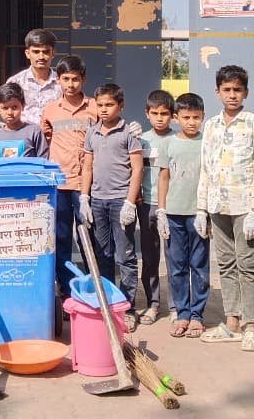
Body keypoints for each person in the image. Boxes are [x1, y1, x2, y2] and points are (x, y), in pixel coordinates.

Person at [197, 66, 254, 351]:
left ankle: (253, 326)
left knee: (247, 264)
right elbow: (206, 167)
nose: (232, 95)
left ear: (246, 93)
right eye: (226, 90)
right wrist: (201, 208)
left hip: (243, 206)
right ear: (217, 92)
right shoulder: (211, 125)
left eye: (237, 90)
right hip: (217, 204)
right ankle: (232, 322)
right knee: (226, 264)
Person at [80, 83, 144, 332]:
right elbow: (87, 167)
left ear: (121, 106)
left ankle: (127, 307)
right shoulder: (92, 133)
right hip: (97, 201)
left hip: (120, 201)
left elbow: (137, 169)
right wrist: (84, 197)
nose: (104, 109)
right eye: (100, 105)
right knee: (102, 254)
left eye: (109, 104)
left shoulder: (129, 132)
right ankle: (107, 302)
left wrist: (130, 201)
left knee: (125, 256)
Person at [40, 54, 97, 296]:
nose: (70, 84)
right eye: (65, 79)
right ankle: (66, 289)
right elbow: (46, 140)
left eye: (75, 79)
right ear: (58, 80)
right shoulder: (50, 110)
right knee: (61, 237)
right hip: (60, 184)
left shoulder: (95, 108)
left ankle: (96, 286)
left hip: (87, 184)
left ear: (83, 79)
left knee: (89, 237)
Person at [156, 92, 209, 339]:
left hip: (198, 213)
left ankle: (197, 315)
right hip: (173, 214)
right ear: (176, 118)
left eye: (196, 117)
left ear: (203, 117)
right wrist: (161, 210)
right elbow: (163, 177)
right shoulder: (168, 144)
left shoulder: (207, 142)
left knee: (199, 265)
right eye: (186, 117)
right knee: (176, 266)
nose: (191, 122)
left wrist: (204, 210)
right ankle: (182, 313)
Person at [135, 89, 175, 325]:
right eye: (155, 113)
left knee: (173, 258)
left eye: (165, 113)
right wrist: (136, 195)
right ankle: (153, 303)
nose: (160, 118)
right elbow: (134, 170)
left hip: (172, 207)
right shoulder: (141, 140)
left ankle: (176, 306)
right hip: (146, 205)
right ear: (147, 113)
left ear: (172, 115)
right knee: (150, 257)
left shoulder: (177, 140)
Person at [6, 28, 61, 129]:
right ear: (27, 53)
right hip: (23, 135)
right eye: (36, 52)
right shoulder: (15, 83)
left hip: (54, 136)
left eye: (46, 52)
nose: (41, 56)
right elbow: (7, 112)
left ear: (53, 53)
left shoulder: (62, 83)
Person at [0, 83, 47, 158]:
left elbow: (43, 160)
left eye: (14, 107)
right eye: (5, 108)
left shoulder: (34, 131)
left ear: (23, 106)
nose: (10, 113)